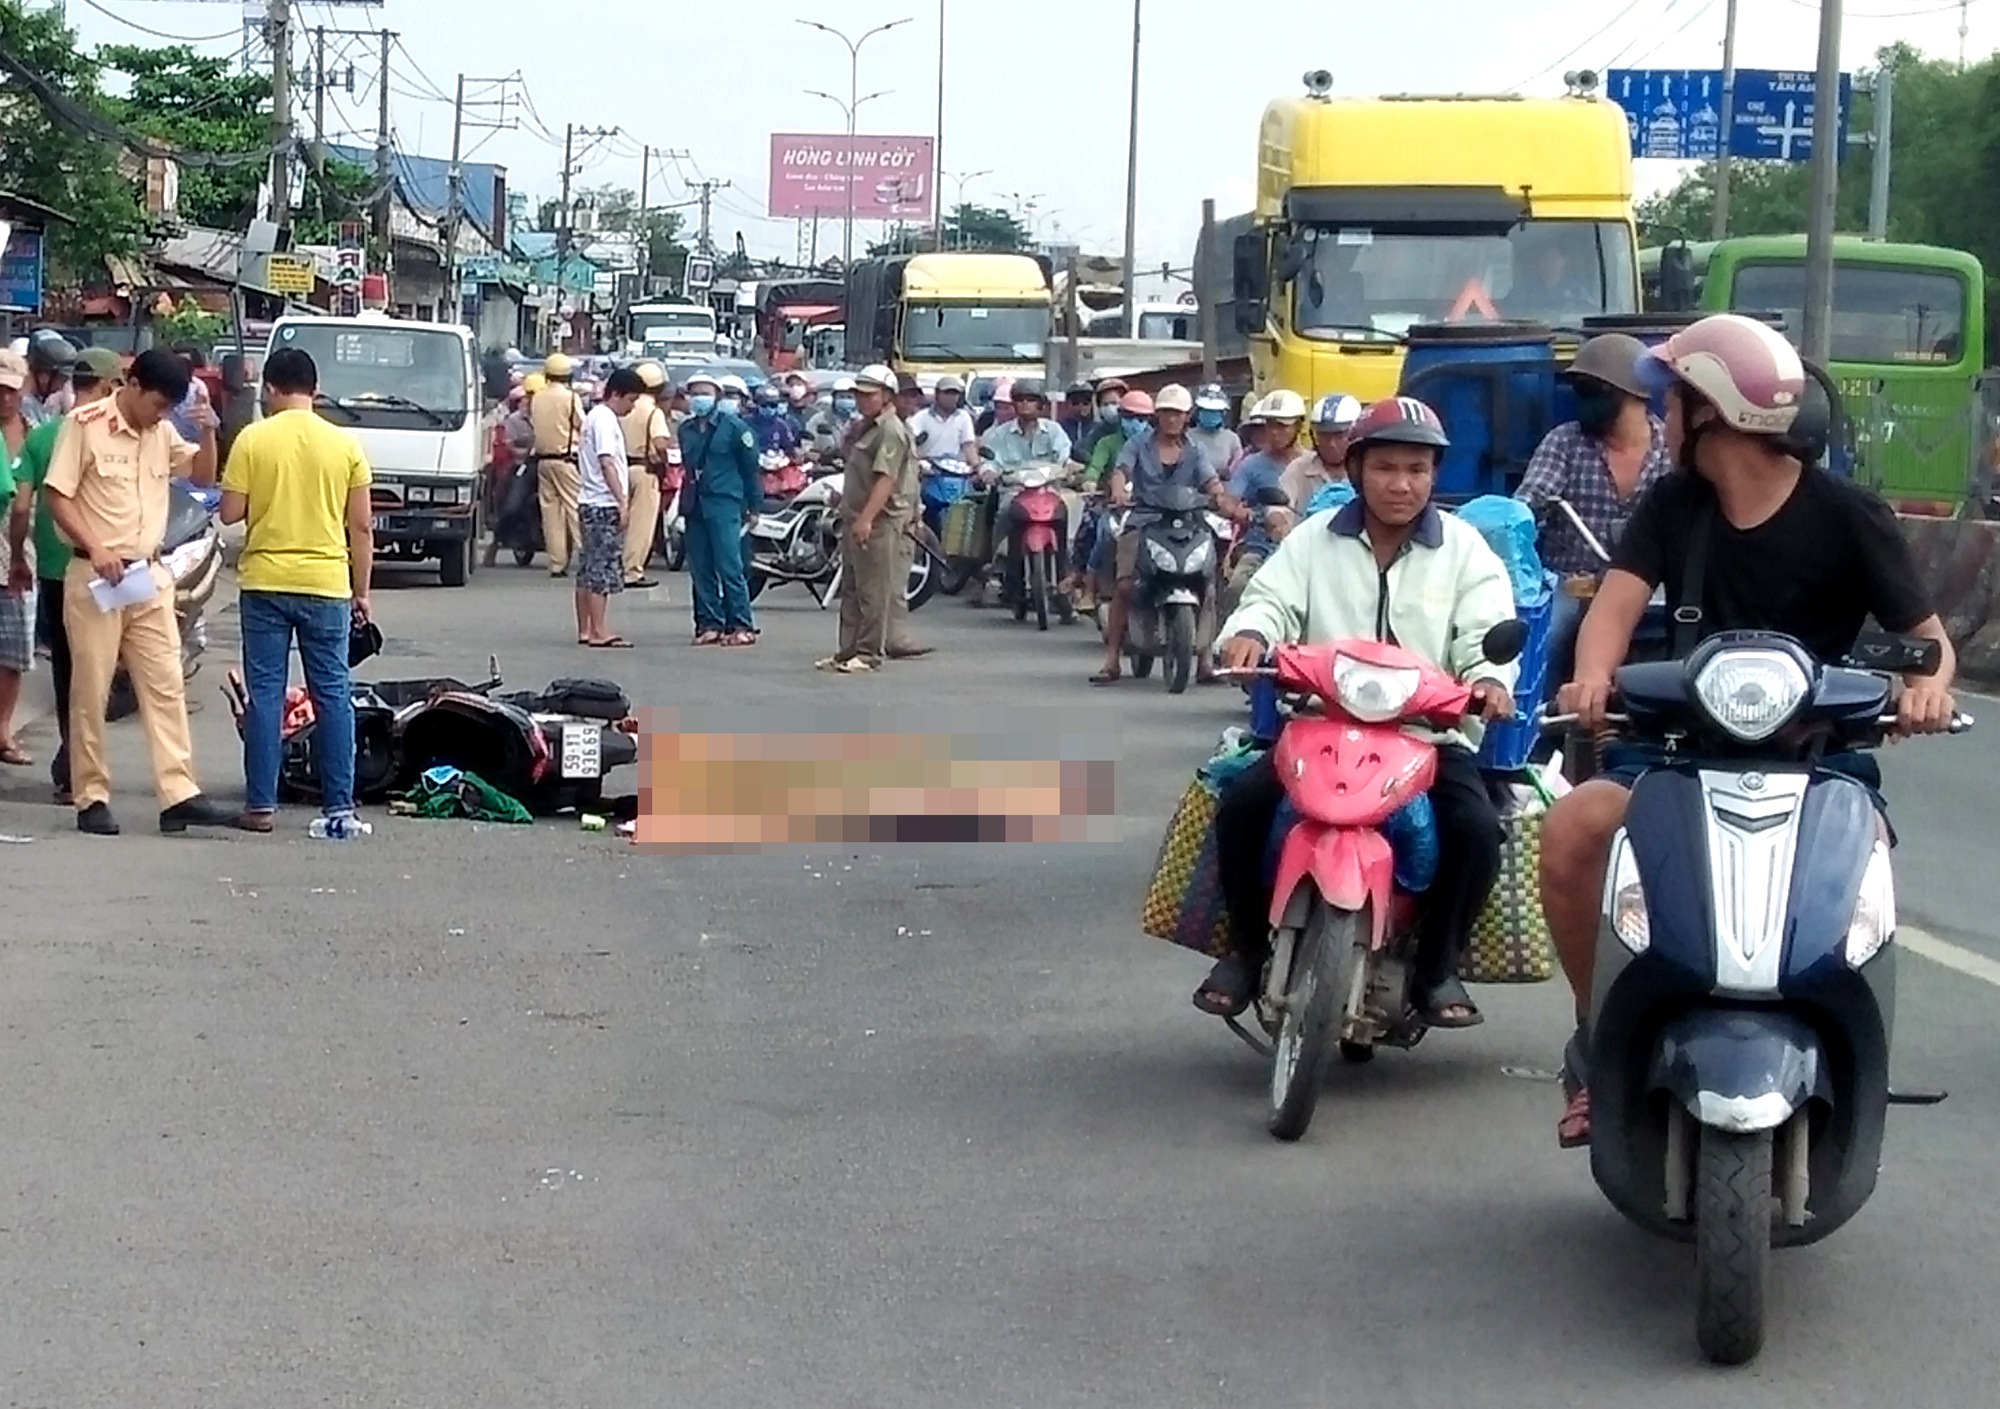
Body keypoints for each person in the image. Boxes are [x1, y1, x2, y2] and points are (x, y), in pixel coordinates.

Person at [1537, 314, 1959, 1148]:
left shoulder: (1849, 515)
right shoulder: (1672, 504)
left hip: (1818, 758)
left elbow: (1929, 642)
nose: (1659, 418)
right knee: (1572, 827)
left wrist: (1926, 691)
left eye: (1671, 401)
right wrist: (1591, 679)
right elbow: (1613, 610)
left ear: (1715, 411)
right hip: (1678, 746)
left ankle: (1849, 1054)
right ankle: (1601, 1042)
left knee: (1865, 863)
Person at [1206, 396, 1518, 1023]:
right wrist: (1251, 635)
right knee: (1241, 807)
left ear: (1434, 476)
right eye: (1385, 468)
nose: (1402, 484)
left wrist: (1488, 679)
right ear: (1355, 470)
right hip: (1318, 726)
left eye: (1417, 469)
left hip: (1427, 738)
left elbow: (1485, 629)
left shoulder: (1465, 550)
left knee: (1477, 830)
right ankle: (1243, 950)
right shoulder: (1313, 541)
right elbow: (1270, 600)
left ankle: (1437, 970)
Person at [43, 348, 238, 836]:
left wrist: (208, 431)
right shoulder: (85, 425)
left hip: (147, 577)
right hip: (96, 578)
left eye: (169, 407)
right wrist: (96, 547)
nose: (160, 414)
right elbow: (58, 495)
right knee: (91, 689)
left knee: (166, 683)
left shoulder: (162, 431)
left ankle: (179, 794)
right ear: (131, 386)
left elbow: (201, 476)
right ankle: (91, 795)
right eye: (157, 403)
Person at [217, 347, 374, 833]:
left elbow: (229, 513)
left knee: (265, 695)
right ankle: (340, 806)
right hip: (326, 584)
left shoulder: (252, 439)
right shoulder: (344, 445)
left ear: (270, 388)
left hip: (265, 582)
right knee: (333, 695)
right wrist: (361, 592)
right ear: (315, 389)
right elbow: (362, 527)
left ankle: (260, 807)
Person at [1514, 333, 1671, 687]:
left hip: (1652, 585)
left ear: (1633, 394)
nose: (1582, 400)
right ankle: (1534, 714)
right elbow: (1532, 496)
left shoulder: (1668, 449)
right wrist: (1523, 515)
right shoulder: (1565, 441)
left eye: (1591, 390)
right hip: (1571, 583)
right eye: (1578, 390)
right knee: (1540, 642)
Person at [7, 347, 123, 801]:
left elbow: (22, 507)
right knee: (97, 669)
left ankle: (72, 758)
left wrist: (19, 557)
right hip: (108, 568)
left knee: (67, 670)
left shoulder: (42, 436)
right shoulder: (111, 432)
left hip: (57, 570)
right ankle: (79, 762)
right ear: (110, 385)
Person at [1090, 383, 1232, 685]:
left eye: (1178, 413)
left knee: (1208, 584)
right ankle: (1111, 659)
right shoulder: (1137, 445)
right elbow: (1121, 470)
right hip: (1144, 520)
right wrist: (1118, 490)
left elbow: (1210, 481)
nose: (1172, 419)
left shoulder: (1195, 449)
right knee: (1125, 585)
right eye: (1167, 412)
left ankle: (1206, 660)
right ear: (1157, 415)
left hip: (1188, 522)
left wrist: (1219, 496)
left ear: (1188, 416)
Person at [818, 364, 921, 674]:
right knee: (851, 589)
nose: (862, 400)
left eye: (869, 395)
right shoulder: (866, 427)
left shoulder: (891, 430)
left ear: (887, 396)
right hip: (855, 515)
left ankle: (868, 652)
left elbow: (885, 480)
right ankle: (847, 651)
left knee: (873, 591)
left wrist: (866, 519)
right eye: (859, 395)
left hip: (878, 520)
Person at [676, 372, 761, 647]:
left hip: (724, 502)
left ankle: (741, 624)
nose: (699, 398)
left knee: (729, 566)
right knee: (700, 568)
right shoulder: (686, 429)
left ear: (717, 397)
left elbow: (750, 469)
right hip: (695, 503)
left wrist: (754, 506)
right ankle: (709, 623)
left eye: (705, 393)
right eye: (694, 393)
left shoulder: (735, 428)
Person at [973, 378, 1072, 608]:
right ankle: (998, 565)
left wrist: (1070, 469)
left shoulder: (1054, 431)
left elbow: (1064, 457)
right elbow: (990, 461)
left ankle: (1068, 570)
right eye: (1020, 399)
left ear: (1041, 405)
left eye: (1031, 399)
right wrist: (988, 472)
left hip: (1048, 490)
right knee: (1004, 510)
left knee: (1070, 509)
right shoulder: (1000, 434)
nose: (1025, 404)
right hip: (1015, 491)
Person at [1216, 390, 1311, 618]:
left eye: (1282, 426)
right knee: (1237, 587)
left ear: (1298, 426)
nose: (1274, 432)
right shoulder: (1251, 465)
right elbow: (1229, 501)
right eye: (1270, 425)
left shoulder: (1311, 464)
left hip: (1308, 545)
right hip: (1261, 544)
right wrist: (1239, 512)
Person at [573, 366, 645, 650]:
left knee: (588, 568)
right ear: (616, 394)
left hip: (590, 500)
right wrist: (622, 501)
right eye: (631, 400)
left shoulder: (594, 417)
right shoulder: (604, 419)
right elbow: (607, 462)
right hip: (603, 502)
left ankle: (586, 628)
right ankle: (599, 630)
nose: (631, 407)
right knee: (601, 569)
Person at [529, 352, 584, 577]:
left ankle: (557, 563)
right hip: (565, 460)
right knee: (575, 509)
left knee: (551, 515)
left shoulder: (537, 397)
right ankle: (586, 555)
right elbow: (582, 425)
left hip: (543, 461)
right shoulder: (570, 398)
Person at [0, 352, 30, 768]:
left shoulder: (35, 431)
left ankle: (3, 731)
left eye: (9, 390)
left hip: (23, 556)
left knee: (14, 651)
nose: (4, 398)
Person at [622, 361, 674, 589]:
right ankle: (632, 571)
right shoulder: (653, 411)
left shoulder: (625, 407)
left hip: (622, 467)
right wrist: (664, 456)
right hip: (645, 470)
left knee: (623, 523)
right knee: (641, 526)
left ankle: (618, 566)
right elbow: (660, 442)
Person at [1279, 392, 1362, 510]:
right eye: (1324, 436)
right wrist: (1277, 516)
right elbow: (1280, 508)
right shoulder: (1299, 468)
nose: (1331, 444)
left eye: (1339, 435)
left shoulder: (1366, 470)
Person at [909, 373, 978, 465]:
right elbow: (911, 441)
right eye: (947, 393)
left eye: (954, 394)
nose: (951, 397)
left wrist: (976, 465)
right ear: (937, 394)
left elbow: (968, 445)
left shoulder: (963, 417)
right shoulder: (922, 417)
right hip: (927, 466)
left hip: (953, 467)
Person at [1187, 382, 1243, 476]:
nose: (1210, 414)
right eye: (1206, 410)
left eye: (1215, 412)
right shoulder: (1187, 437)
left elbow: (1238, 465)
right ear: (1198, 411)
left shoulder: (1232, 438)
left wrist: (1228, 472)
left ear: (1223, 413)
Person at [23, 330, 76, 425]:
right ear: (42, 375)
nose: (62, 386)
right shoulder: (21, 405)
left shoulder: (43, 403)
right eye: (61, 378)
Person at [806, 376, 861, 459]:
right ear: (834, 398)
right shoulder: (819, 419)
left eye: (849, 397)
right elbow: (807, 443)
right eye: (841, 397)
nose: (845, 401)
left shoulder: (861, 421)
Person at [749, 382, 800, 458]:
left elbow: (789, 449)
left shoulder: (781, 425)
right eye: (764, 405)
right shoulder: (746, 423)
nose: (768, 409)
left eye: (773, 405)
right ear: (757, 404)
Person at [1057, 381, 1096, 448]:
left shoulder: (1098, 428)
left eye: (1086, 402)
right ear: (1067, 404)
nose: (1081, 406)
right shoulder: (1058, 428)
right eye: (1075, 402)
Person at [782, 372, 816, 436]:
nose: (795, 387)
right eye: (791, 385)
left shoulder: (813, 413)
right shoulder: (784, 412)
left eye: (798, 384)